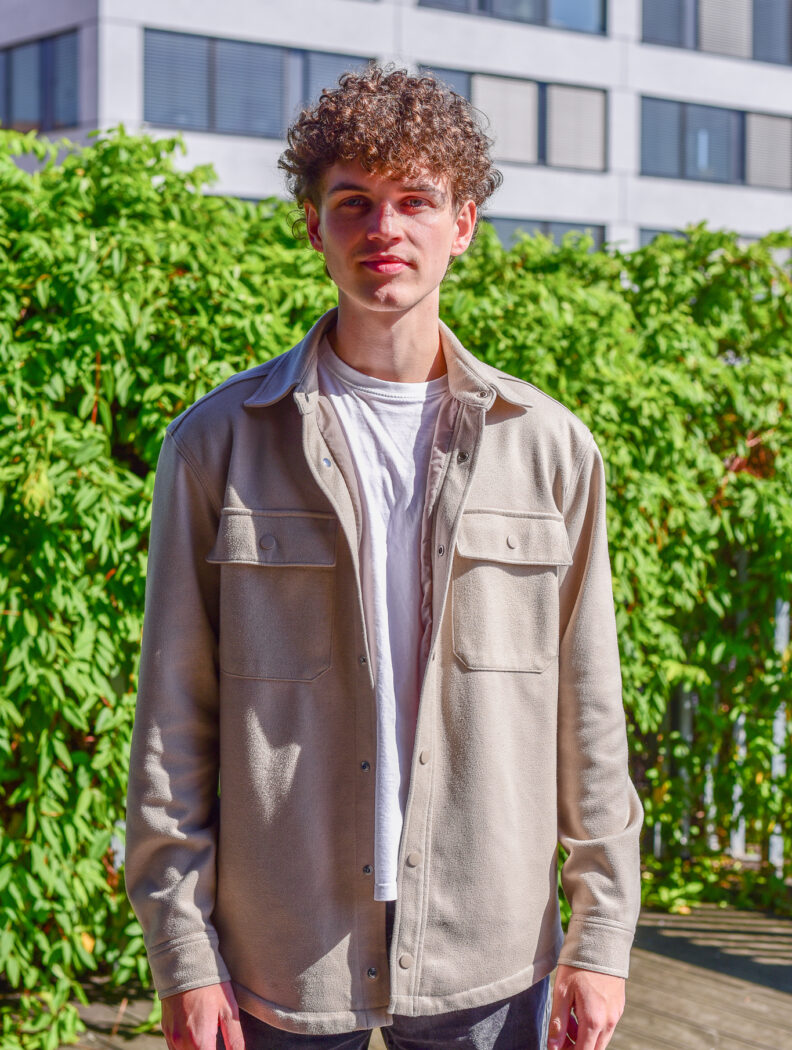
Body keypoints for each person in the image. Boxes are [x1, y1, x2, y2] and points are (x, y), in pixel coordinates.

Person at [124, 66, 644, 1050]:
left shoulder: (550, 448)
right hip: (282, 950)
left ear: (464, 224)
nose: (384, 229)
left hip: (488, 945)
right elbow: (172, 723)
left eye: (416, 200)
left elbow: (590, 710)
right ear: (312, 225)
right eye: (354, 202)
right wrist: (182, 953)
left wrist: (603, 935)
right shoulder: (217, 445)